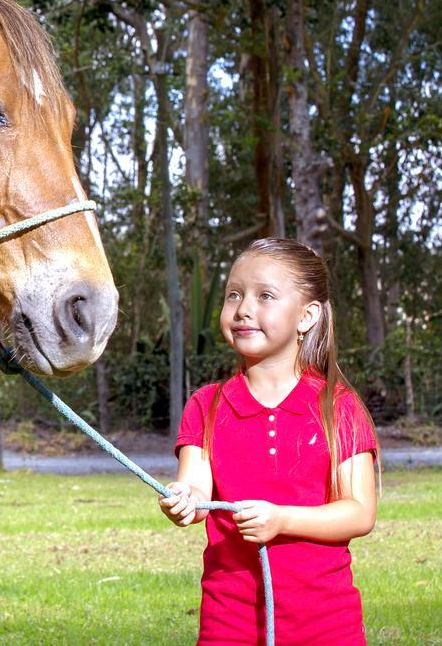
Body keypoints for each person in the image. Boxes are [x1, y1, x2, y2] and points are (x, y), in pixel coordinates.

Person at [160, 238, 379, 645]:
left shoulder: (340, 407)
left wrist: (281, 519)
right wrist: (180, 499)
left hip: (328, 625)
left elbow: (359, 513)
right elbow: (194, 491)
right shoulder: (205, 405)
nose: (243, 308)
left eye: (265, 296)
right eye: (234, 295)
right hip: (229, 622)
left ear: (307, 316)